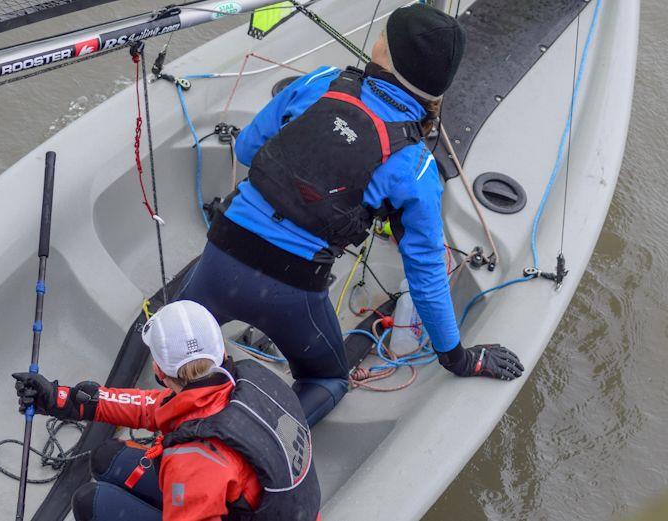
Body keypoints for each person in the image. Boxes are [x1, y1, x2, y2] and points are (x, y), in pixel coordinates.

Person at [174, 3, 524, 427]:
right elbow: (427, 275)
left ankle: (175, 403)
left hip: (222, 258)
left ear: (384, 56)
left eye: (382, 36)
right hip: (292, 290)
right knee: (329, 378)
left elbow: (248, 148)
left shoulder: (322, 81)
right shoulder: (416, 167)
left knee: (177, 339)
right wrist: (459, 358)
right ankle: (251, 446)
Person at [13, 300, 320, 521]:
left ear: (160, 371)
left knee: (90, 503)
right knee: (106, 458)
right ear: (221, 352)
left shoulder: (194, 459)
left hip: (215, 492)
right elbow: (155, 408)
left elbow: (197, 470)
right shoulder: (244, 383)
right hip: (266, 505)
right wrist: (62, 399)